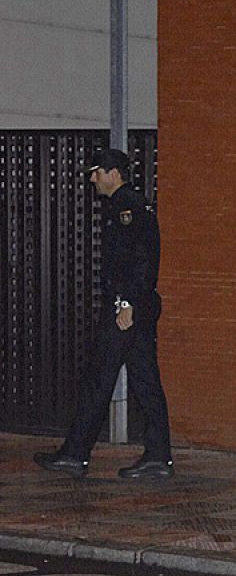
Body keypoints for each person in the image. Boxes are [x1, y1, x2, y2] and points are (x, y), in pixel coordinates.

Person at [34, 148, 173, 480]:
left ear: (114, 173)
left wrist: (127, 304)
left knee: (99, 379)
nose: (92, 178)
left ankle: (75, 452)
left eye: (96, 172)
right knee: (145, 381)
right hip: (133, 307)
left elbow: (142, 259)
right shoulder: (126, 205)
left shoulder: (128, 208)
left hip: (125, 309)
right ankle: (158, 456)